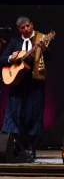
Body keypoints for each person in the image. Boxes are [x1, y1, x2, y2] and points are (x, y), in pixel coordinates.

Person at [0, 16, 52, 160]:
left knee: (34, 115)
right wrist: (12, 57)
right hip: (17, 83)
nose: (26, 29)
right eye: (22, 27)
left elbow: (48, 57)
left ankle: (32, 150)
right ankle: (13, 149)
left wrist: (44, 48)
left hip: (35, 83)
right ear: (19, 29)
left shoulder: (41, 39)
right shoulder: (15, 42)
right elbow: (2, 59)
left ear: (32, 24)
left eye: (28, 26)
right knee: (14, 115)